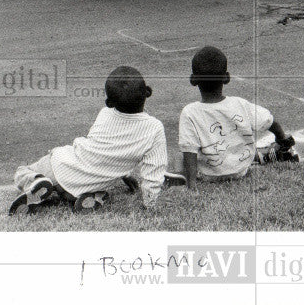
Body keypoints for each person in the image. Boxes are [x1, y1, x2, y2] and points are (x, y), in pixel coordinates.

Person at [9, 65, 184, 215]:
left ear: (109, 102)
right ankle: (83, 197)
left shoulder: (105, 113)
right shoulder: (154, 128)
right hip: (91, 183)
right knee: (102, 189)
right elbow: (153, 172)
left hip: (61, 165)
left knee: (22, 171)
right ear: (147, 93)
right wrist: (151, 204)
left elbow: (102, 149)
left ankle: (36, 180)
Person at [178, 46, 297, 189]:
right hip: (240, 170)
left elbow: (189, 149)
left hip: (208, 174)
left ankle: (180, 177)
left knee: (181, 157)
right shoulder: (239, 104)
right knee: (238, 147)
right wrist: (282, 139)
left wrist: (191, 186)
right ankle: (268, 155)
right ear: (227, 78)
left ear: (193, 80)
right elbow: (270, 121)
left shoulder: (190, 112)